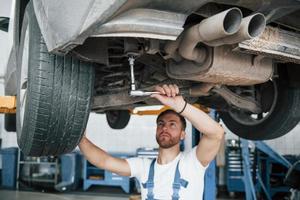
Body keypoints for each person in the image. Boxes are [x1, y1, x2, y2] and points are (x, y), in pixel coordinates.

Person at [79, 84, 224, 200]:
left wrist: (181, 106)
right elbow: (104, 161)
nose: (165, 127)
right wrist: (79, 137)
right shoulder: (144, 167)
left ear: (182, 135)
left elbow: (216, 133)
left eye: (172, 124)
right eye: (161, 124)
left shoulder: (193, 163)